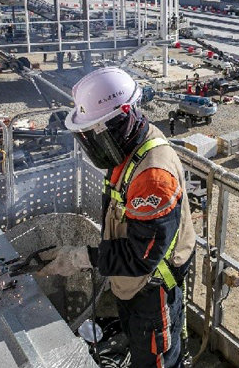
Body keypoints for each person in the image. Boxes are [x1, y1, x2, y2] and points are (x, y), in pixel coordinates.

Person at [40, 67, 196, 367]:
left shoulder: (153, 177)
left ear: (124, 117)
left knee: (155, 360)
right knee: (139, 347)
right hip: (134, 285)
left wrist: (82, 258)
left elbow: (141, 257)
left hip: (152, 291)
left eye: (98, 131)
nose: (95, 141)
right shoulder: (129, 147)